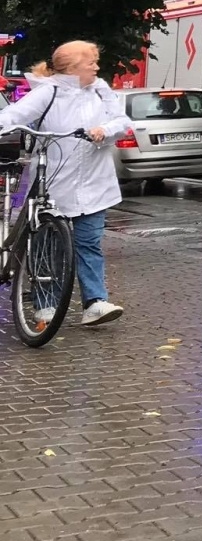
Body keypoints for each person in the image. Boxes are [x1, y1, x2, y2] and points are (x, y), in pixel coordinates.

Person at [0, 40, 135, 327]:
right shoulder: (48, 92)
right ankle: (45, 305)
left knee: (89, 244)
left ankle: (95, 303)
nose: (97, 67)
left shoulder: (100, 89)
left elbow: (123, 121)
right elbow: (14, 114)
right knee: (50, 245)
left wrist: (105, 129)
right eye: (91, 62)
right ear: (73, 68)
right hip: (55, 181)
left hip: (95, 182)